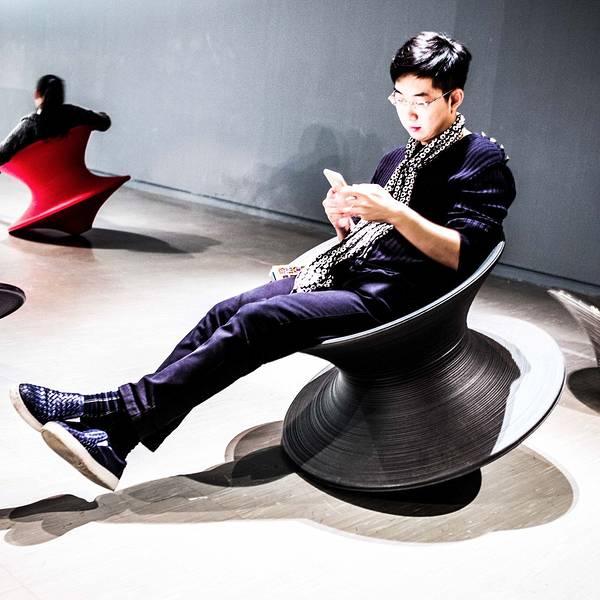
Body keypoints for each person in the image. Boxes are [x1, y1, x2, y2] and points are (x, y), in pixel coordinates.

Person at [10, 32, 516, 491]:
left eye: (421, 100)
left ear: (454, 98)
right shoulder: (396, 158)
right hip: (352, 275)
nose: (408, 112)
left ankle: (110, 414)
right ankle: (116, 439)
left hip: (400, 301)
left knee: (259, 321)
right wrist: (345, 224)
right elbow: (376, 238)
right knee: (224, 312)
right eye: (399, 98)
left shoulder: (481, 160)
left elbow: (462, 253)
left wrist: (395, 213)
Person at [0, 74, 110, 165]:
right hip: (71, 177)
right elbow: (105, 122)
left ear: (37, 93)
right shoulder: (74, 114)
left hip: (38, 180)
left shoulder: (29, 124)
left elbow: (2, 154)